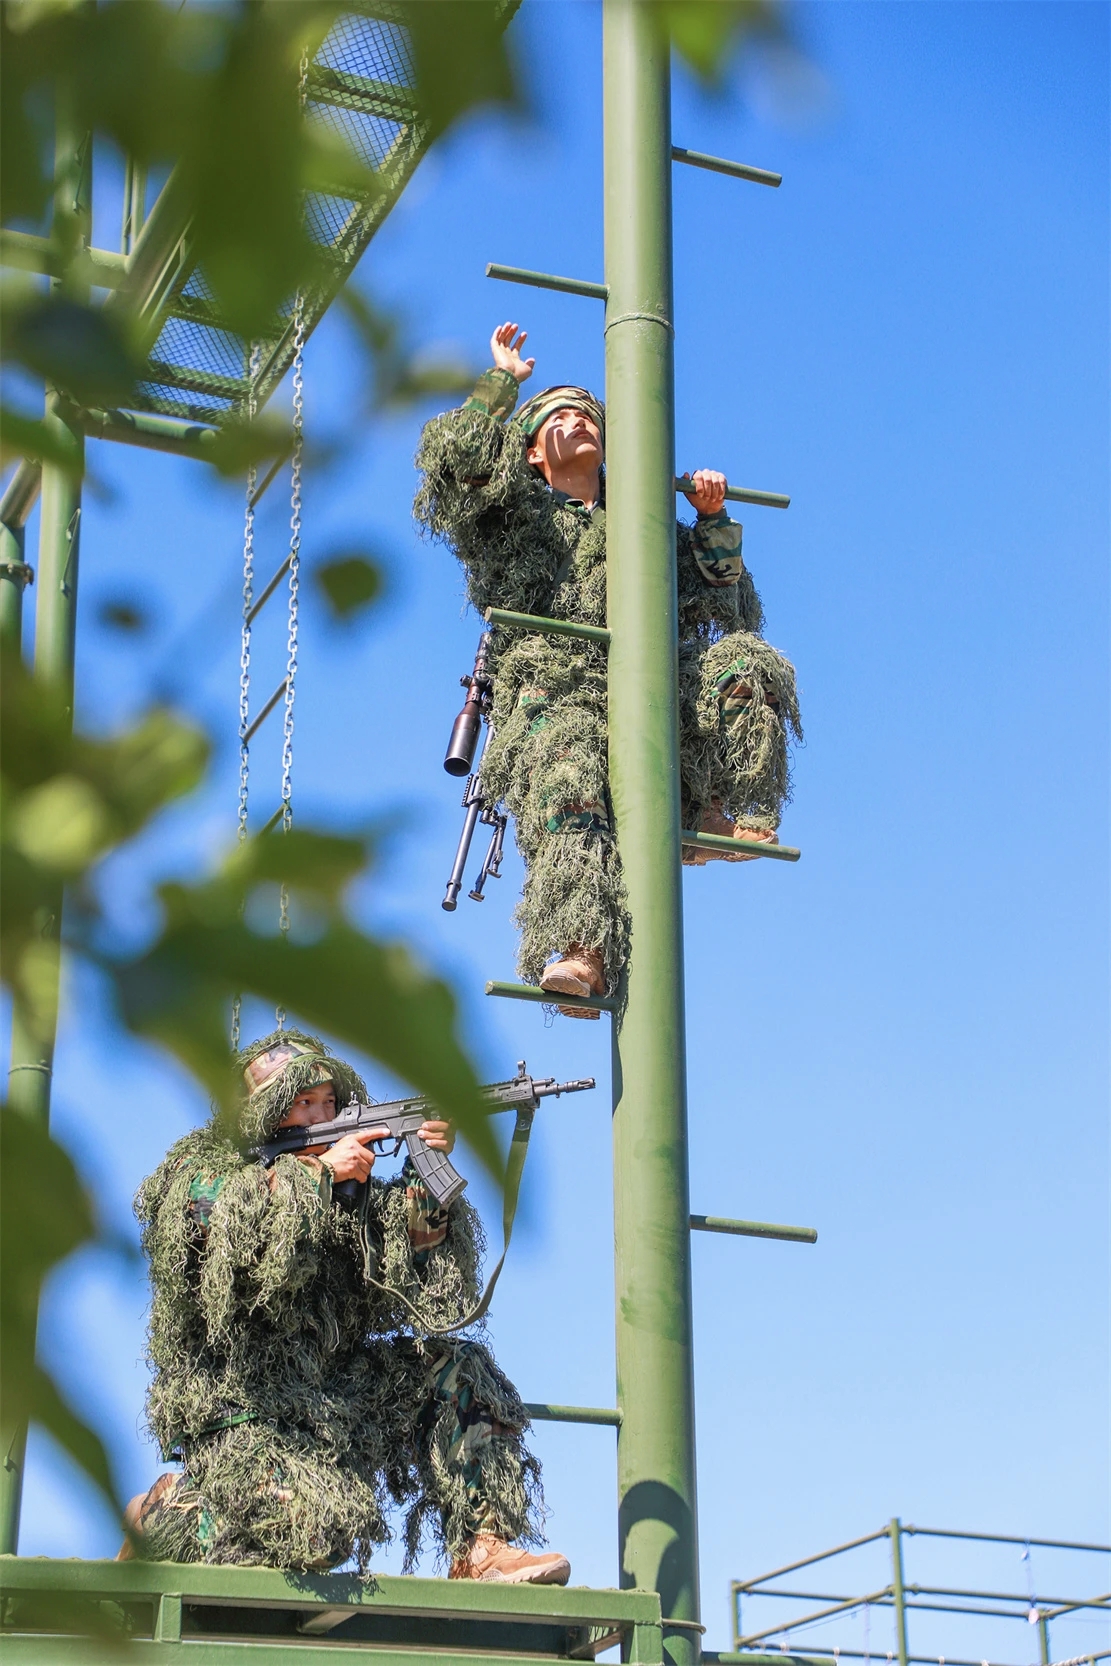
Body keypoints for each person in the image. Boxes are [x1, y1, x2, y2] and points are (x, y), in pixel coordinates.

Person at [415, 321, 801, 1015]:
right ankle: (580, 949)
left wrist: (712, 519)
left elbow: (726, 601)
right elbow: (456, 461)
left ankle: (708, 809)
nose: (575, 424)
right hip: (554, 679)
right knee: (569, 773)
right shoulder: (515, 518)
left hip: (651, 679)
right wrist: (501, 384)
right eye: (557, 420)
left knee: (747, 663)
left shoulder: (644, 528)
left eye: (586, 416)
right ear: (531, 453)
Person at [122, 1030, 569, 1584]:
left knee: (460, 1369)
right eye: (304, 1103)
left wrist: (425, 1173)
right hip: (244, 1415)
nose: (321, 1114)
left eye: (329, 1102)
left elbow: (416, 1268)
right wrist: (320, 1174)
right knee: (318, 1533)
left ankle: (482, 1545)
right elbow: (225, 1224)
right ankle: (167, 1511)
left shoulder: (349, 1197)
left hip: (337, 1397)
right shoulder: (204, 1170)